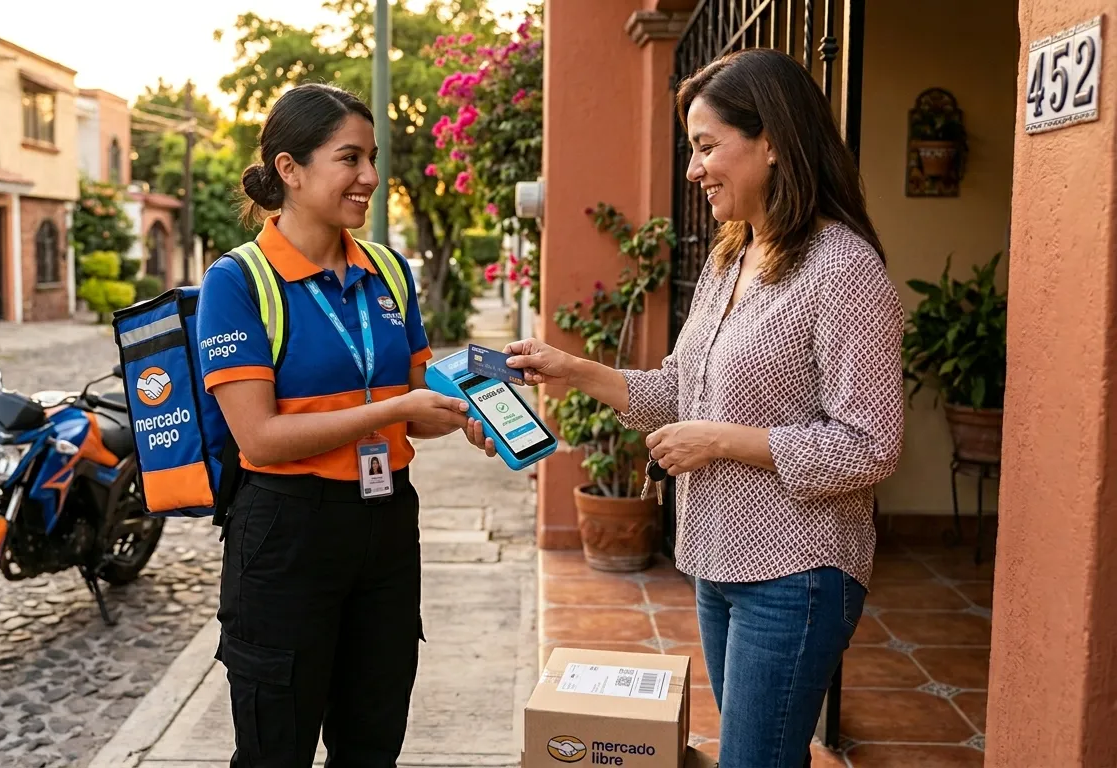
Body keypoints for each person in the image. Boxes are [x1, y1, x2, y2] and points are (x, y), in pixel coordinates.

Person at [492, 49, 904, 768]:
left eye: (707, 147)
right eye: (692, 149)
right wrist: (569, 367)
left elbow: (870, 446)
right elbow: (680, 390)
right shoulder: (730, 258)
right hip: (716, 561)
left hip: (798, 573)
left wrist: (722, 441)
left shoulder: (842, 269)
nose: (693, 170)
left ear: (772, 141)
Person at [198, 82, 497, 767]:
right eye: (350, 158)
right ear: (289, 170)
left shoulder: (387, 271)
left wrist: (477, 403)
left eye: (372, 158)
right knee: (277, 747)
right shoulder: (239, 282)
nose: (370, 177)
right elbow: (259, 437)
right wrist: (394, 410)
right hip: (286, 533)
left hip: (386, 522)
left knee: (372, 739)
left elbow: (419, 389)